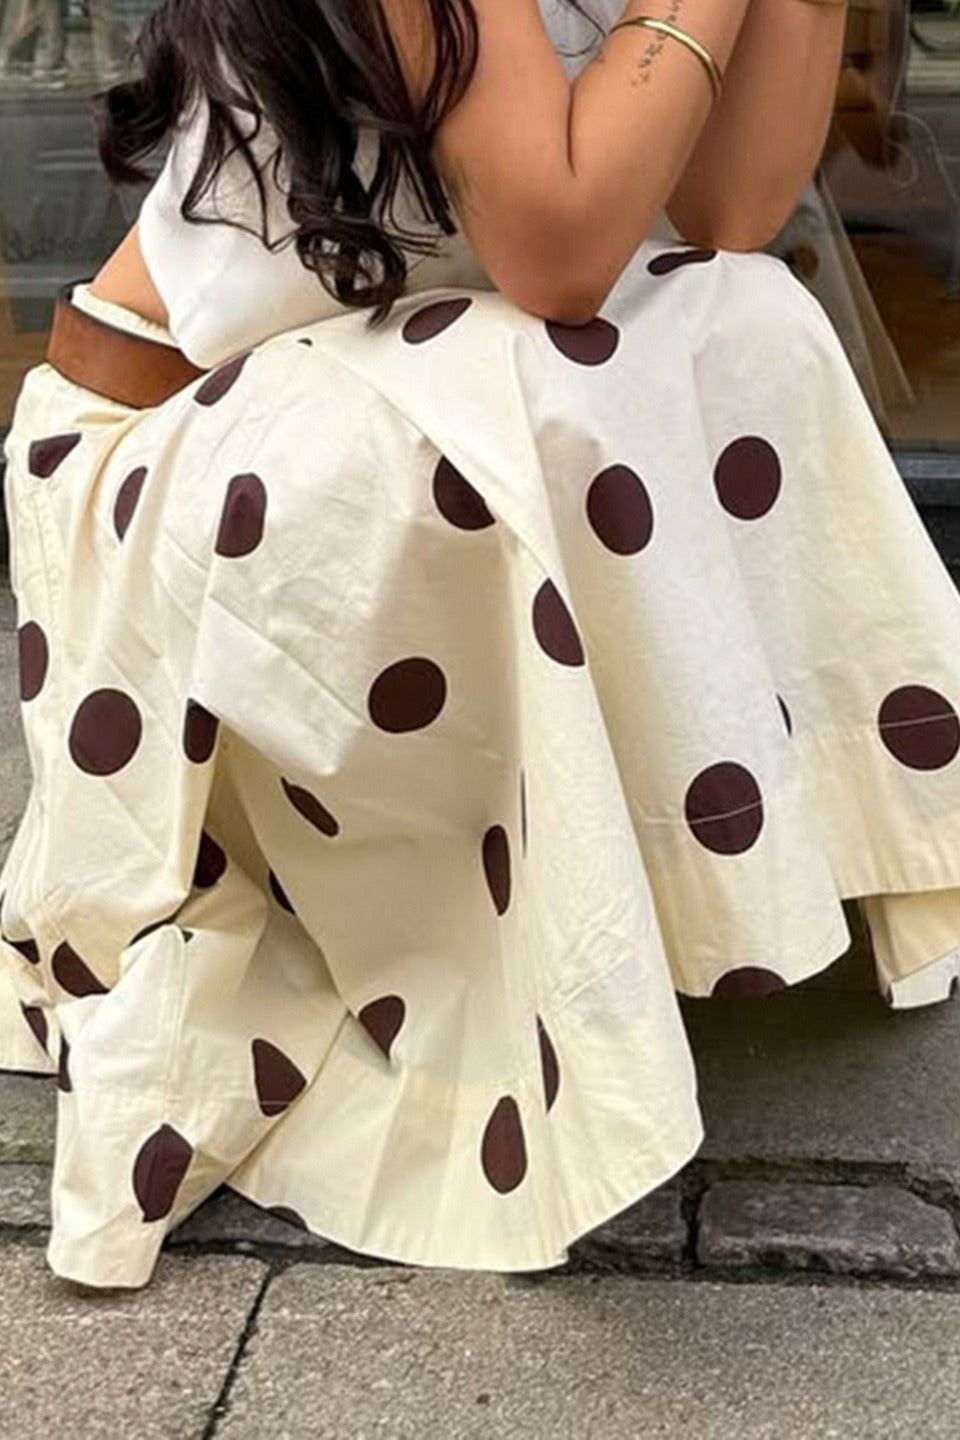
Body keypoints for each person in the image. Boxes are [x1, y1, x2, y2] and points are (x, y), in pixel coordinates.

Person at [3, 0, 959, 1292]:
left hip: (350, 371)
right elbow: (558, 252)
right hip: (160, 456)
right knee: (537, 387)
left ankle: (707, 864)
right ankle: (471, 949)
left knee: (749, 322)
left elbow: (732, 209)